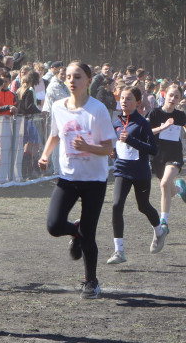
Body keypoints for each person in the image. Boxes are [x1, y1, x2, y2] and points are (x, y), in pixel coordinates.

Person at [38, 61, 117, 299]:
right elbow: (55, 135)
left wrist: (87, 146)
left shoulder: (98, 109)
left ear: (89, 81)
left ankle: (91, 281)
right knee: (53, 225)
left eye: (78, 77)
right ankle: (76, 231)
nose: (72, 81)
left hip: (94, 179)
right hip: (68, 177)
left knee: (89, 235)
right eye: (69, 77)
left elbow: (108, 149)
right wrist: (44, 155)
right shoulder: (59, 107)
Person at [106, 86, 162, 265]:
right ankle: (119, 251)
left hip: (140, 172)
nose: (124, 101)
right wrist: (113, 152)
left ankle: (160, 231)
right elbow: (117, 145)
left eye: (128, 98)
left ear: (138, 102)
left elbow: (153, 149)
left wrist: (131, 140)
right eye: (122, 98)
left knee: (143, 206)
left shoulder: (142, 123)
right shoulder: (116, 122)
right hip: (122, 169)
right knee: (116, 206)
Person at [147, 83, 185, 243]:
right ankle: (180, 189)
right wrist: (163, 127)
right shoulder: (155, 113)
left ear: (179, 99)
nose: (173, 99)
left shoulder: (181, 115)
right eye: (171, 95)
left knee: (163, 185)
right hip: (157, 157)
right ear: (164, 95)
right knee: (169, 190)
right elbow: (146, 132)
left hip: (174, 155)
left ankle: (164, 222)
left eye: (176, 97)